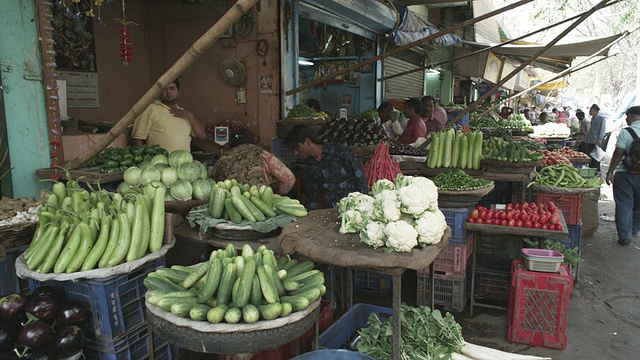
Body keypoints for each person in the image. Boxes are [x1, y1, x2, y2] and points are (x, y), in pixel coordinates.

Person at [284, 124, 367, 210]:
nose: (295, 153)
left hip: (353, 209)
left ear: (308, 142)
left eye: (297, 148)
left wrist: (365, 205)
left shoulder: (340, 152)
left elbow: (360, 179)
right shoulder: (310, 166)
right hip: (331, 212)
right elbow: (312, 196)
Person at [210, 128, 295, 195]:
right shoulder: (261, 154)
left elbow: (213, 180)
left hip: (231, 205)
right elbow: (289, 179)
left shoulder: (222, 158)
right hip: (259, 204)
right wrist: (277, 194)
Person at [131, 79, 207, 154]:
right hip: (158, 163)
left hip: (183, 164)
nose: (168, 92)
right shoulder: (151, 109)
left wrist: (191, 116)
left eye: (172, 88)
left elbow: (201, 136)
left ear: (178, 92)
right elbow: (137, 138)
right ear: (159, 92)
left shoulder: (184, 114)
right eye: (164, 89)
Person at [605, 106, 640, 246]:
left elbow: (618, 152)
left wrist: (610, 171)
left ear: (631, 116)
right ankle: (634, 229)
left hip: (625, 173)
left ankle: (625, 236)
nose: (626, 119)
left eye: (627, 116)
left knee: (624, 204)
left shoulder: (627, 132)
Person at [585, 104, 606, 171]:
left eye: (591, 110)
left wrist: (600, 139)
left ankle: (597, 170)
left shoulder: (601, 118)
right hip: (590, 139)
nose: (590, 112)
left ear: (596, 110)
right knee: (590, 155)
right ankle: (591, 169)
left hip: (595, 140)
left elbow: (602, 129)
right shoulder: (593, 118)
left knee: (595, 156)